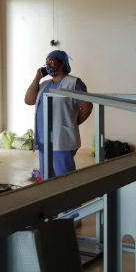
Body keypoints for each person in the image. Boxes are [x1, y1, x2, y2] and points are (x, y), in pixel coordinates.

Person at [24, 50, 93, 178]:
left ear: (62, 63)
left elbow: (87, 107)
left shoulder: (73, 83)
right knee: (47, 178)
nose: (48, 65)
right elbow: (28, 100)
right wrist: (37, 77)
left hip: (62, 139)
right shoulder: (45, 84)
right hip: (44, 140)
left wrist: (73, 123)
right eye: (46, 62)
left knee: (64, 179)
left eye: (51, 61)